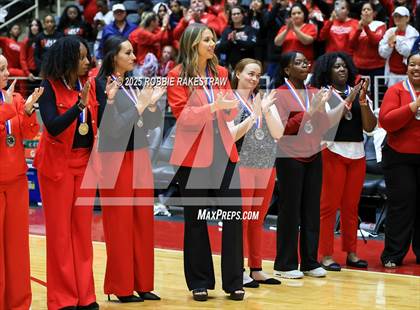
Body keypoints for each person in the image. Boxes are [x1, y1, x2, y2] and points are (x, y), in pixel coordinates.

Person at [167, 24, 244, 301]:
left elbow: (232, 110)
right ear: (192, 44)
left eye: (213, 39)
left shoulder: (220, 73)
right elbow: (182, 116)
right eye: (207, 40)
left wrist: (228, 104)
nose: (213, 44)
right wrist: (213, 107)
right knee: (196, 220)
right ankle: (199, 281)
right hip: (192, 155)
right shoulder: (177, 76)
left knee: (234, 217)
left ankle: (235, 281)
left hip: (223, 150)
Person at [93, 36, 164, 303]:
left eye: (134, 52)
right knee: (120, 223)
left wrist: (154, 104)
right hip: (115, 158)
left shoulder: (135, 83)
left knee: (143, 221)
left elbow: (153, 122)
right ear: (113, 56)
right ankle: (120, 286)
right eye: (128, 52)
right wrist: (141, 105)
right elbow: (112, 127)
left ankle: (143, 283)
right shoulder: (100, 85)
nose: (135, 57)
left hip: (139, 155)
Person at [34, 36, 99, 310]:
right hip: (57, 168)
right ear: (68, 59)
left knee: (82, 234)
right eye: (82, 57)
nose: (87, 61)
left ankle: (86, 296)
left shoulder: (88, 85)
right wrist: (78, 107)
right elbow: (52, 126)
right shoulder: (48, 87)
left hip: (84, 165)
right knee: (60, 235)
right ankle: (62, 299)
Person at [311, 52, 377, 271]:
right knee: (328, 206)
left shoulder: (359, 93)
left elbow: (369, 127)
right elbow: (328, 124)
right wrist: (349, 100)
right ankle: (326, 254)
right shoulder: (322, 94)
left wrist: (362, 103)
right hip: (332, 152)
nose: (342, 70)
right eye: (337, 67)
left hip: (357, 154)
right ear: (327, 71)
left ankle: (352, 252)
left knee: (351, 207)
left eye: (344, 66)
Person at [273, 52, 331, 279]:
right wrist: (310, 111)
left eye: (306, 62)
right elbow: (284, 129)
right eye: (298, 63)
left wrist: (323, 109)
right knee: (290, 210)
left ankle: (309, 261)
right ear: (287, 70)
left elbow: (324, 125)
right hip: (289, 157)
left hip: (314, 154)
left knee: (311, 209)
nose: (305, 65)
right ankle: (284, 264)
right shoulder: (279, 94)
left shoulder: (314, 92)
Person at [229, 58, 283, 287]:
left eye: (257, 74)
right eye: (250, 73)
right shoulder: (229, 100)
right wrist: (254, 114)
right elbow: (231, 136)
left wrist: (267, 111)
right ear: (238, 73)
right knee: (242, 220)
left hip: (266, 167)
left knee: (257, 220)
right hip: (242, 166)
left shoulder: (263, 99)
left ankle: (256, 268)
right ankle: (237, 270)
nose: (254, 78)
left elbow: (278, 133)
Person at [0, 56, 42, 310]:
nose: (7, 73)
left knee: (17, 248)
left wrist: (26, 113)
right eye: (1, 69)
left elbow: (27, 134)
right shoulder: (9, 102)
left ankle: (18, 303)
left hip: (15, 181)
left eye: (6, 68)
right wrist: (12, 111)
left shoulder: (15, 99)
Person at [378, 51, 420, 268]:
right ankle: (393, 254)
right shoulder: (396, 90)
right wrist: (414, 106)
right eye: (412, 64)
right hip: (399, 157)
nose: (416, 69)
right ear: (406, 67)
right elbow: (387, 121)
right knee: (402, 205)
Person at [350, 2, 387, 93]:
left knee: (376, 95)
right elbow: (351, 45)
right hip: (359, 67)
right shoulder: (355, 25)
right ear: (361, 13)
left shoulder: (380, 25)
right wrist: (358, 30)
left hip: (376, 68)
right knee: (359, 95)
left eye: (368, 9)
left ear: (374, 13)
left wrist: (366, 27)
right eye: (364, 9)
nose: (366, 11)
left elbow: (375, 41)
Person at [378, 6, 419, 86]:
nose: (397, 18)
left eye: (400, 16)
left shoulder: (414, 33)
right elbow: (382, 53)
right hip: (392, 74)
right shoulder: (390, 31)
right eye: (395, 16)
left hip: (408, 75)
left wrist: (397, 40)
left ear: (407, 18)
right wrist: (389, 46)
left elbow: (409, 53)